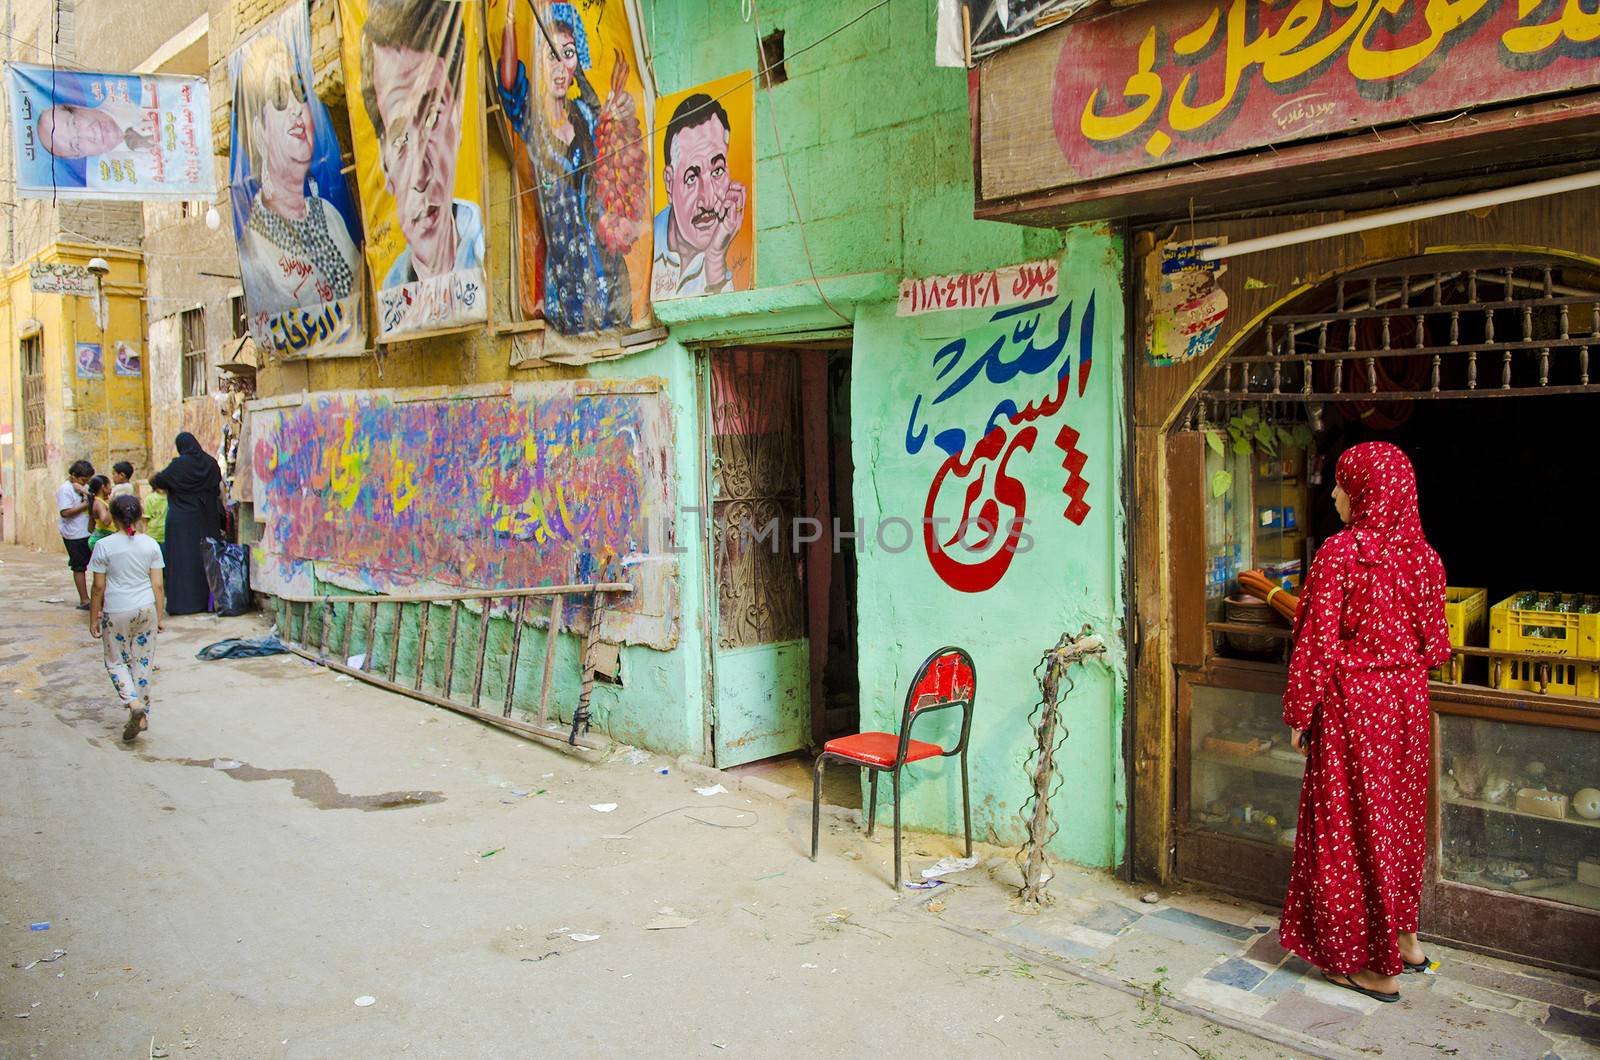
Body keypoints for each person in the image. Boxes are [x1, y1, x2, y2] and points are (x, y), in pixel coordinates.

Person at [1279, 441, 1451, 1004]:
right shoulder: (1424, 558)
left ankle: (1375, 969)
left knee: (1351, 832)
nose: (1333, 494)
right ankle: (1404, 941)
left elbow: (1316, 644)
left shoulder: (1342, 553)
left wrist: (1301, 713)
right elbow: (1436, 646)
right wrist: (1395, 665)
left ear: (1366, 492)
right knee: (1397, 825)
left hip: (1356, 708)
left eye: (1342, 484)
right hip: (1406, 707)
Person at [497, 1, 636, 332]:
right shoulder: (535, 124)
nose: (560, 67)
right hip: (564, 280)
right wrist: (511, 14)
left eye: (568, 54)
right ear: (540, 64)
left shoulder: (586, 115)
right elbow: (507, 80)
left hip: (605, 275)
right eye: (550, 55)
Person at [360, 0, 485, 290]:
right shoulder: (390, 293)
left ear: (458, 114)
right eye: (401, 138)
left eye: (431, 118)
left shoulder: (485, 254)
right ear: (383, 161)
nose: (419, 175)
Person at [235, 33, 361, 314]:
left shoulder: (329, 215)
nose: (296, 108)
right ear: (259, 132)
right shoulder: (255, 251)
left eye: (300, 93)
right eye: (280, 97)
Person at [652, 92, 747, 299]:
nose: (708, 200)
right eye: (692, 177)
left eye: (717, 171)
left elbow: (729, 328)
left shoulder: (733, 250)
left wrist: (714, 260)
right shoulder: (646, 245)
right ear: (669, 183)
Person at [88, 494, 165, 742]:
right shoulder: (151, 544)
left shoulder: (104, 546)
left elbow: (98, 587)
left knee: (116, 661)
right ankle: (143, 713)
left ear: (113, 518)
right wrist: (159, 616)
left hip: (117, 611)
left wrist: (93, 617)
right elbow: (158, 585)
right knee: (143, 662)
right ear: (139, 514)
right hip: (146, 609)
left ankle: (134, 706)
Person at [149, 433, 223, 616]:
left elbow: (158, 481)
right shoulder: (211, 463)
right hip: (207, 519)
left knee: (182, 561)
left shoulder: (178, 466)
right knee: (206, 559)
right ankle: (209, 603)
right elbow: (217, 487)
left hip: (181, 522)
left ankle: (184, 604)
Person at [37, 101, 157, 160]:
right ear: (79, 156)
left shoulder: (128, 98)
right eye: (76, 145)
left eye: (75, 123)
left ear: (77, 108)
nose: (90, 134)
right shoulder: (129, 172)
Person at [56, 459, 96, 610]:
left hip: (87, 531)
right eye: (83, 480)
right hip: (74, 534)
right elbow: (65, 512)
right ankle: (84, 599)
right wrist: (86, 504)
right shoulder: (65, 490)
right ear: (73, 475)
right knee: (79, 567)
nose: (85, 483)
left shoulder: (83, 487)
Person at [85, 475, 115, 549]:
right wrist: (112, 505)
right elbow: (106, 522)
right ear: (103, 487)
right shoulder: (99, 503)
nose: (111, 488)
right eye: (109, 485)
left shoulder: (98, 501)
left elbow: (90, 528)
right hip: (103, 538)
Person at [141, 483, 169, 558]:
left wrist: (144, 535)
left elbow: (145, 520)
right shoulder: (171, 497)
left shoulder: (149, 498)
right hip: (166, 535)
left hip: (153, 535)